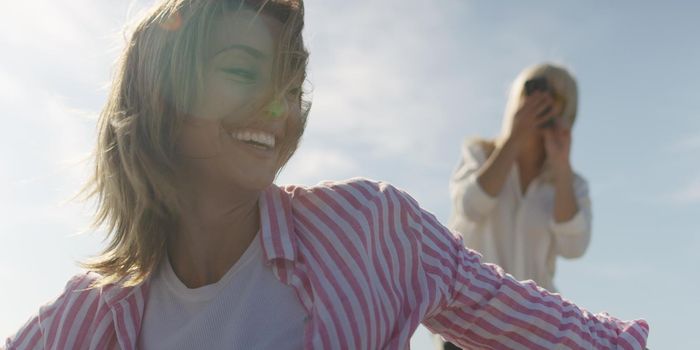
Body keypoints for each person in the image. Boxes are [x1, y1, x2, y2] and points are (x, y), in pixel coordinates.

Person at [4, 1, 648, 349]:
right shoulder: (88, 315)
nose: (276, 103)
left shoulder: (372, 230)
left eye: (288, 79)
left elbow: (576, 333)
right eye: (240, 69)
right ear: (160, 95)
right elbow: (473, 202)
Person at [449, 63, 589, 293]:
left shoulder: (573, 184)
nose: (543, 102)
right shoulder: (479, 154)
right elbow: (470, 207)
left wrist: (561, 166)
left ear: (567, 111)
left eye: (555, 97)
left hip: (534, 321)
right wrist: (514, 138)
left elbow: (574, 247)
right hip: (467, 311)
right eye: (533, 90)